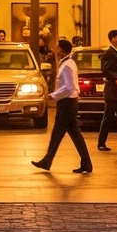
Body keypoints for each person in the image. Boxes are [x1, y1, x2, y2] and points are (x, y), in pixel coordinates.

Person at [31, 37, 92, 174]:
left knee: (57, 134)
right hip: (69, 103)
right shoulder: (68, 63)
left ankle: (47, 161)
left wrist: (53, 95)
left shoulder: (67, 66)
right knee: (75, 135)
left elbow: (69, 88)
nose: (56, 49)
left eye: (58, 47)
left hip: (66, 104)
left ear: (63, 51)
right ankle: (86, 163)